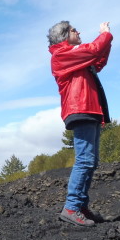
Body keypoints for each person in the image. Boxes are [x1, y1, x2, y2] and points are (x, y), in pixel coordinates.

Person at [48, 21, 113, 227]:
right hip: (81, 109)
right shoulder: (62, 54)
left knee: (90, 161)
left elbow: (98, 60)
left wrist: (106, 41)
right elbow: (93, 49)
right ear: (65, 35)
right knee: (85, 160)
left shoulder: (75, 56)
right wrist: (105, 34)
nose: (79, 31)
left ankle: (81, 206)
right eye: (75, 29)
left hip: (90, 109)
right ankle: (71, 208)